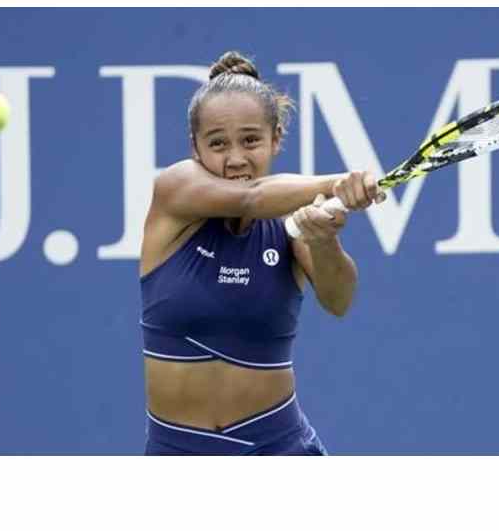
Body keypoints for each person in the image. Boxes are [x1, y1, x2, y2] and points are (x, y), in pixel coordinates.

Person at [140, 51, 384, 455]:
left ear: (276, 138)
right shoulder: (175, 189)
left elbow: (339, 300)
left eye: (251, 140)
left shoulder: (290, 215)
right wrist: (339, 182)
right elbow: (251, 197)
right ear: (195, 147)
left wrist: (323, 240)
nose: (235, 158)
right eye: (217, 144)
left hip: (278, 445)